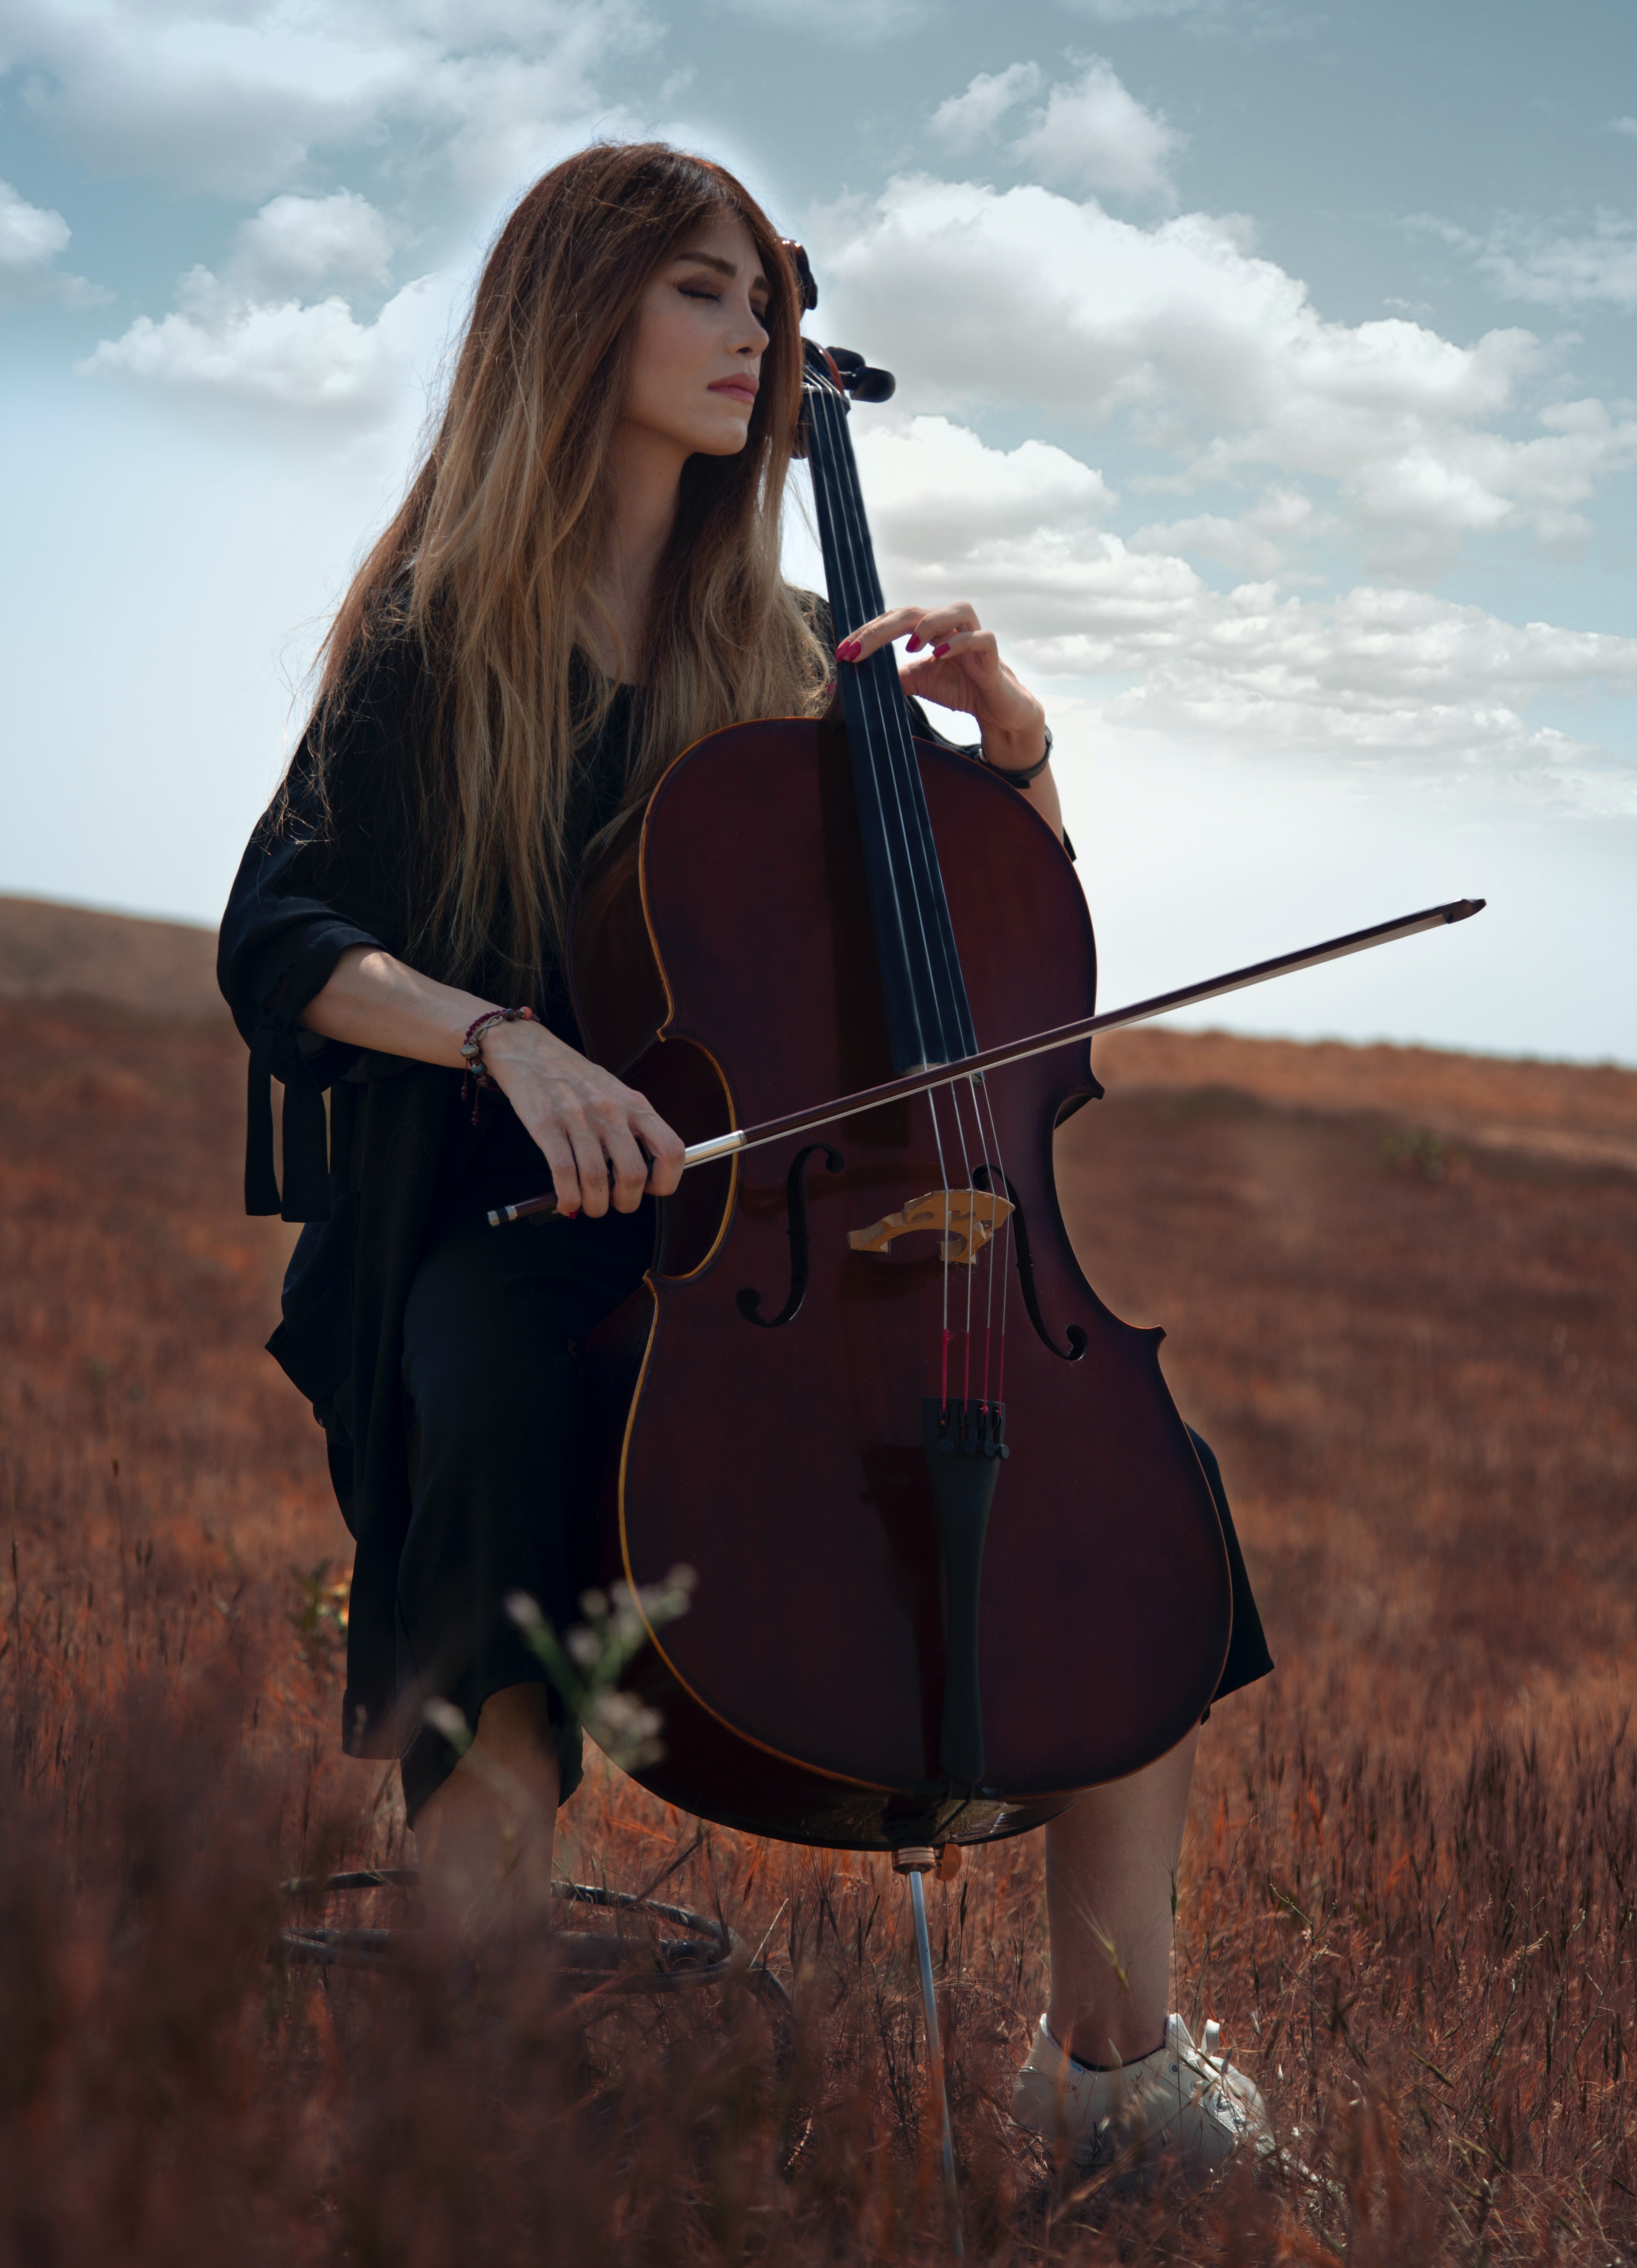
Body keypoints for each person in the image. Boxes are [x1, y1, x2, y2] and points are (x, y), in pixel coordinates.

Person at [218, 140, 1274, 2183]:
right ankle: (470, 2054)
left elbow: (991, 941)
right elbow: (283, 935)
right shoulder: (445, 634)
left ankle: (1120, 2080)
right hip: (516, 1219)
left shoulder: (789, 646)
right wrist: (507, 1042)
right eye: (705, 291)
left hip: (776, 1220)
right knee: (504, 1447)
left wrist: (1018, 746)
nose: (752, 336)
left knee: (1142, 1494)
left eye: (760, 303)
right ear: (579, 313)